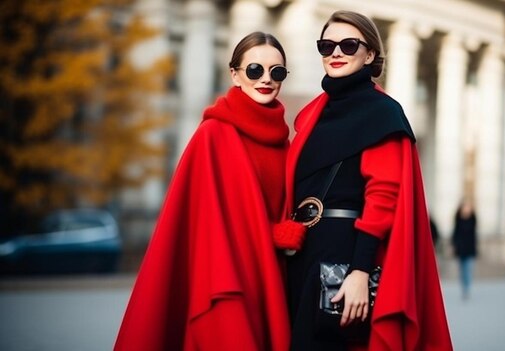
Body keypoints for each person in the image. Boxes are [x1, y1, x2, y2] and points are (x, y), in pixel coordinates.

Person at [272, 10, 452, 351]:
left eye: (348, 45)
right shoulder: (311, 113)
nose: (336, 53)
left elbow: (382, 196)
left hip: (346, 256)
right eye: (327, 46)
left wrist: (359, 272)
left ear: (370, 54)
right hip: (302, 254)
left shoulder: (382, 113)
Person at [114, 32, 291, 350]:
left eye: (276, 72)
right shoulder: (213, 135)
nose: (266, 79)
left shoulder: (285, 143)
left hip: (272, 281)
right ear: (235, 75)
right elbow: (205, 225)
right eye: (255, 70)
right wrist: (273, 234)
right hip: (224, 280)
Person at [451, 200, 477, 300]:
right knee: (462, 271)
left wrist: (472, 209)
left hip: (470, 249)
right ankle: (464, 288)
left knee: (468, 270)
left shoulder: (472, 220)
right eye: (464, 207)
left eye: (468, 207)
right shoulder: (458, 220)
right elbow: (455, 233)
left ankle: (467, 289)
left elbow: (475, 218)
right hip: (461, 250)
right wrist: (454, 245)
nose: (466, 209)